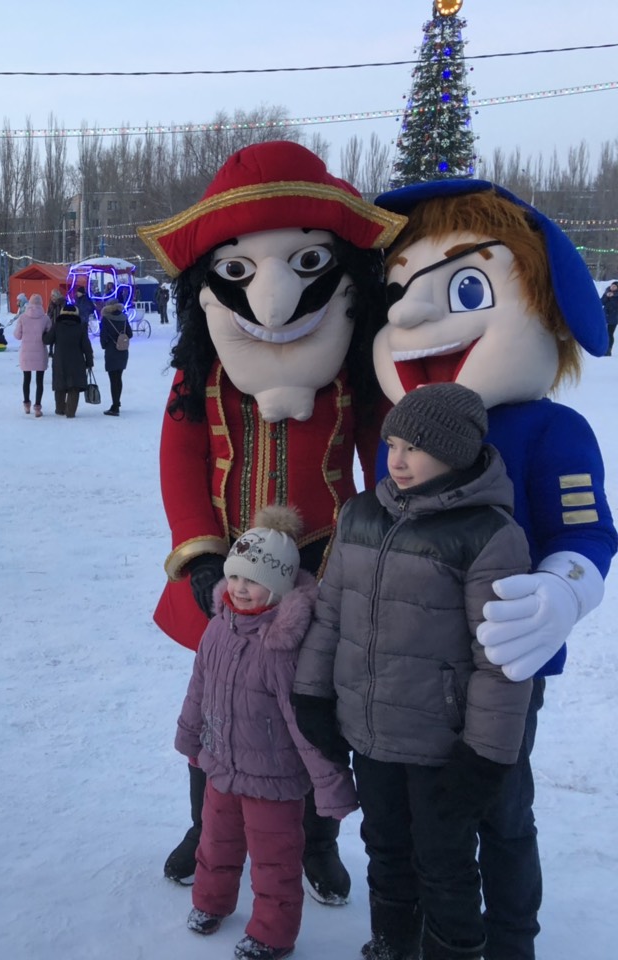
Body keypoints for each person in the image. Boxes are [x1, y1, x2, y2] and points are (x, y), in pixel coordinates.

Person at [137, 142, 404, 899]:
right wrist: (197, 553)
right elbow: (180, 457)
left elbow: (386, 457)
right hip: (232, 572)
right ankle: (208, 825)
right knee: (220, 706)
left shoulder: (351, 363)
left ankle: (317, 840)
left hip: (324, 562)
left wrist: (382, 541)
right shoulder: (207, 366)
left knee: (317, 713)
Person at [371, 179, 617, 959]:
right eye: (398, 293)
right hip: (412, 669)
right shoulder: (399, 431)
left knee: (500, 809)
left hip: (503, 668)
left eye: (464, 285)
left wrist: (563, 590)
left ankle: (512, 937)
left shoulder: (551, 431)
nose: (408, 316)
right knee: (415, 809)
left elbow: (589, 535)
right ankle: (423, 926)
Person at [294, 383, 534, 960]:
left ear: (454, 452)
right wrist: (312, 693)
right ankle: (392, 943)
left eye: (414, 449)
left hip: (439, 745)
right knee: (385, 849)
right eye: (393, 444)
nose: (396, 460)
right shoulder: (360, 514)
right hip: (369, 732)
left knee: (445, 864)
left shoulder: (489, 535)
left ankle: (453, 950)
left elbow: (500, 661)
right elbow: (330, 614)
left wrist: (485, 754)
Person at [178, 506, 357, 960]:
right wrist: (190, 738)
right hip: (222, 766)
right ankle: (210, 901)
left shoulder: (282, 647)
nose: (239, 588)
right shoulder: (218, 628)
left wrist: (329, 784)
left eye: (252, 581)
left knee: (275, 861)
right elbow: (199, 686)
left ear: (277, 587)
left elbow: (304, 723)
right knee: (214, 843)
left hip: (274, 781)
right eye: (234, 577)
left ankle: (272, 933)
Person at [44, 302, 93, 418]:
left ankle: (60, 409)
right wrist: (89, 362)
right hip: (77, 361)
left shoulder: (57, 326)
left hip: (60, 360)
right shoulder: (81, 327)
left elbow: (47, 340)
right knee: (74, 387)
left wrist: (43, 333)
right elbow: (86, 346)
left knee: (60, 385)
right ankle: (70, 411)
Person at [11, 293, 52, 416]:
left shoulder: (23, 318)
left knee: (26, 379)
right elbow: (49, 336)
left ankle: (26, 404)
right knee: (40, 381)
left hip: (26, 353)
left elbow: (17, 336)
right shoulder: (45, 319)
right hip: (40, 352)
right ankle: (38, 407)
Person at [98, 301, 132, 416]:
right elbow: (130, 334)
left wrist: (105, 345)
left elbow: (103, 336)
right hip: (123, 350)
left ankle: (115, 406)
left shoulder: (106, 319)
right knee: (119, 377)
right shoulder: (124, 318)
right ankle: (117, 403)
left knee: (113, 379)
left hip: (111, 351)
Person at [602, 281, 618, 355]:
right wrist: (606, 296)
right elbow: (601, 302)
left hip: (614, 317)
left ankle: (608, 350)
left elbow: (615, 305)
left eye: (614, 286)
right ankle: (603, 348)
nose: (612, 287)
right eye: (612, 285)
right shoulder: (607, 292)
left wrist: (613, 296)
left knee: (610, 334)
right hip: (605, 316)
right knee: (604, 333)